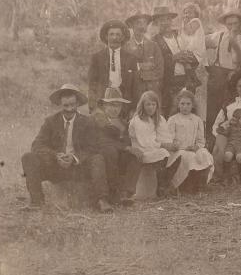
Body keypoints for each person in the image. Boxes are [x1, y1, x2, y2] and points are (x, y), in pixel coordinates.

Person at [21, 84, 113, 212]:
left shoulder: (87, 122)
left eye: (72, 105)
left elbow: (94, 147)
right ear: (60, 104)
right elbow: (37, 145)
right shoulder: (50, 121)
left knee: (97, 159)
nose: (69, 109)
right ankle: (37, 201)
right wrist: (55, 155)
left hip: (78, 169)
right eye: (65, 106)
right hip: (55, 168)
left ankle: (102, 200)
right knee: (28, 157)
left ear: (77, 104)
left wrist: (75, 158)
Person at [205, 9, 241, 136]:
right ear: (225, 25)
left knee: (230, 106)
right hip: (218, 74)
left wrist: (235, 44)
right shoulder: (219, 36)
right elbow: (199, 42)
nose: (232, 27)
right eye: (229, 24)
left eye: (235, 23)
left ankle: (230, 135)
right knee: (213, 106)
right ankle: (210, 135)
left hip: (236, 75)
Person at [127, 90, 181, 198]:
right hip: (141, 150)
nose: (151, 107)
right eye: (148, 104)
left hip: (153, 148)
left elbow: (164, 137)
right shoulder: (137, 120)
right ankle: (161, 187)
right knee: (163, 153)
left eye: (153, 104)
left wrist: (171, 144)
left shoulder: (157, 119)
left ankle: (164, 185)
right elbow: (145, 142)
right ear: (142, 105)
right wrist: (164, 145)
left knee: (178, 155)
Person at [91, 87, 134, 205]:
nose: (115, 109)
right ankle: (113, 192)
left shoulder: (123, 123)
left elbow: (127, 141)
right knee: (110, 151)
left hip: (118, 155)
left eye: (118, 106)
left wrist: (128, 147)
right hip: (102, 152)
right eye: (112, 105)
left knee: (135, 156)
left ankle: (126, 193)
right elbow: (102, 140)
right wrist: (124, 147)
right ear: (104, 106)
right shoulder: (99, 119)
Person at [166, 89, 213, 193]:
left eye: (188, 104)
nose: (185, 107)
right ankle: (181, 184)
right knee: (188, 156)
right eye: (182, 104)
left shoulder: (197, 120)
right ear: (178, 105)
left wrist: (196, 147)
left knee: (205, 154)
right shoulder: (173, 119)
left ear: (193, 105)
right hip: (177, 150)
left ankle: (201, 183)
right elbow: (169, 139)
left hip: (192, 148)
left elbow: (201, 140)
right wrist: (179, 146)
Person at [151, 5, 193, 116]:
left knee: (186, 110)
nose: (165, 23)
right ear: (156, 23)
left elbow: (193, 50)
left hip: (185, 79)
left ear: (171, 21)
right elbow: (156, 63)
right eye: (161, 20)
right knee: (171, 110)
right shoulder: (155, 41)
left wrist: (188, 57)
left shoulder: (178, 35)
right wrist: (174, 58)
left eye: (167, 19)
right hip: (168, 81)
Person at [88, 20, 136, 112]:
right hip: (103, 101)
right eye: (111, 34)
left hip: (125, 102)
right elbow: (92, 84)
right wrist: (92, 105)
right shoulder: (97, 57)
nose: (114, 37)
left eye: (118, 34)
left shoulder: (131, 58)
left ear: (122, 37)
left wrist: (133, 109)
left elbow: (135, 85)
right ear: (106, 37)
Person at [124, 11, 164, 106]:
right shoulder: (125, 47)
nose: (141, 26)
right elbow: (124, 70)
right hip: (133, 92)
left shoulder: (154, 46)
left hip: (152, 90)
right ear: (132, 26)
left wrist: (138, 70)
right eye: (138, 23)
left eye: (144, 23)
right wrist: (140, 66)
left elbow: (160, 70)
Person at [180, 3, 209, 121]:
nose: (187, 14)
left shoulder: (196, 21)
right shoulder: (186, 24)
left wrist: (184, 23)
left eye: (190, 12)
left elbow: (189, 32)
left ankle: (193, 80)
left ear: (196, 14)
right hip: (189, 54)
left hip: (196, 54)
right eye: (185, 12)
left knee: (190, 68)